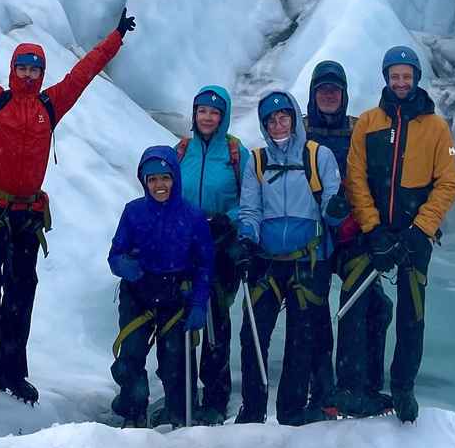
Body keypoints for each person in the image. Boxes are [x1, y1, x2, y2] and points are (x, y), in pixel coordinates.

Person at [0, 0, 135, 404]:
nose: (27, 74)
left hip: (27, 216)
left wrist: (115, 39)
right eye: (22, 66)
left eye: (34, 68)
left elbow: (84, 73)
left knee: (22, 293)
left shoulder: (51, 104)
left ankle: (12, 371)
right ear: (12, 69)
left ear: (41, 72)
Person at [345, 46, 455, 423]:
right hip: (373, 232)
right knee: (357, 307)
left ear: (415, 78)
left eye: (406, 76)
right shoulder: (368, 122)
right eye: (394, 76)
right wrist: (373, 228)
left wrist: (421, 228)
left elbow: (448, 182)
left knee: (413, 316)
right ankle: (358, 383)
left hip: (414, 236)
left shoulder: (436, 127)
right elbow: (356, 178)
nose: (400, 82)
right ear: (386, 77)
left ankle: (403, 386)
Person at [232, 90, 341, 425]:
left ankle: (291, 411)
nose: (278, 124)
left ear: (294, 118)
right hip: (267, 261)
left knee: (301, 338)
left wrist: (337, 211)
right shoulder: (258, 161)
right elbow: (250, 208)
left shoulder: (317, 156)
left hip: (307, 261)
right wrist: (246, 238)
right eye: (271, 120)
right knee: (252, 336)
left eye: (283, 118)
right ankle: (252, 409)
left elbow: (331, 201)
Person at [303, 61, 395, 419]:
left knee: (371, 306)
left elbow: (380, 177)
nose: (328, 95)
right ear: (313, 95)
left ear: (343, 94)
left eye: (334, 90)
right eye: (322, 90)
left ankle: (357, 387)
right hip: (311, 238)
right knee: (314, 311)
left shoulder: (360, 131)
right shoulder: (300, 131)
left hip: (351, 235)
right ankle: (327, 390)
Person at [108, 146, 214, 428]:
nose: (159, 185)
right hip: (139, 292)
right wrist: (123, 266)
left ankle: (179, 415)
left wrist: (199, 303)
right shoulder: (133, 212)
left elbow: (204, 264)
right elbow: (115, 254)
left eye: (165, 178)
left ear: (175, 178)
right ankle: (133, 411)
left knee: (175, 362)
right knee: (131, 355)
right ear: (144, 181)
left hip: (175, 295)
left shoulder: (192, 216)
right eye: (152, 179)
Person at [175, 85, 253, 424]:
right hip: (185, 246)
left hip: (221, 246)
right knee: (180, 317)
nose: (207, 117)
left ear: (223, 117)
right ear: (194, 115)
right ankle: (182, 394)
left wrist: (228, 222)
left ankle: (215, 397)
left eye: (214, 112)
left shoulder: (236, 154)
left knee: (216, 319)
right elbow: (165, 192)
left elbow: (249, 199)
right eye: (202, 111)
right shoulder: (182, 151)